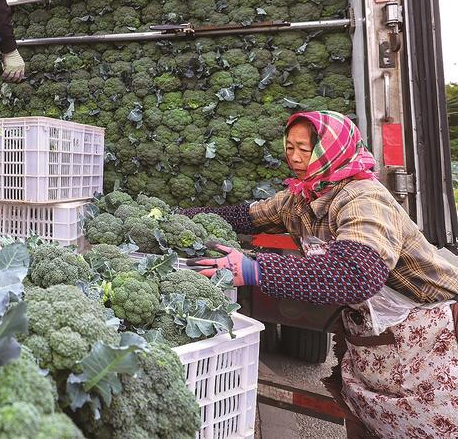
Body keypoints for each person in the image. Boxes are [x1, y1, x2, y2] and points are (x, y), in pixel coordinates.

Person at [189, 110, 458, 438]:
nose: (296, 157)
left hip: (427, 340)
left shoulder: (363, 199)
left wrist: (255, 269)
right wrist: (177, 216)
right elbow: (245, 216)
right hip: (374, 340)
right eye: (289, 148)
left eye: (307, 148)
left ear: (336, 147)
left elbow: (356, 275)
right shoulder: (302, 195)